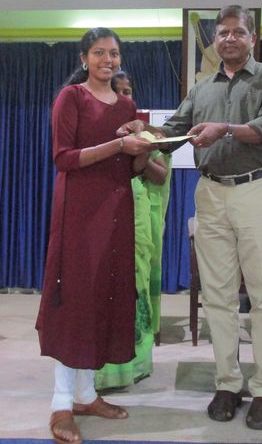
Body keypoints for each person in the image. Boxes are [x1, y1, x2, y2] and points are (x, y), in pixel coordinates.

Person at [119, 5, 262, 430]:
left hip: (257, 189)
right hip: (210, 192)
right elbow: (172, 133)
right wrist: (142, 131)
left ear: (252, 38)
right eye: (222, 32)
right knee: (217, 296)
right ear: (214, 40)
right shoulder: (201, 88)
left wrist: (224, 128)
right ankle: (228, 383)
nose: (229, 38)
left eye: (238, 32)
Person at [36, 29, 155, 444]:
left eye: (114, 53)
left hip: (117, 211)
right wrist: (118, 146)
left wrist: (145, 145)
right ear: (84, 58)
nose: (108, 60)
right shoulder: (71, 97)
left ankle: (86, 395)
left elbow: (132, 169)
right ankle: (61, 403)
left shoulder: (126, 105)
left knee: (102, 297)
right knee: (76, 301)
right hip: (79, 212)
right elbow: (63, 158)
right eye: (100, 53)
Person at [95, 71, 172, 389]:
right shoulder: (95, 130)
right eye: (119, 91)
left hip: (138, 213)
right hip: (102, 212)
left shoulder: (147, 134)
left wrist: (141, 156)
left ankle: (134, 363)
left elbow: (160, 175)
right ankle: (100, 368)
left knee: (134, 284)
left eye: (128, 91)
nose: (125, 97)